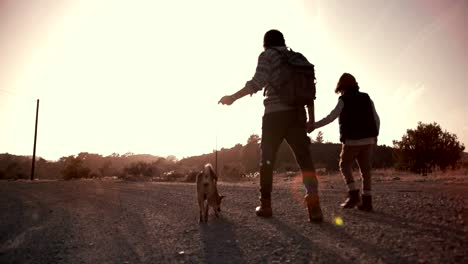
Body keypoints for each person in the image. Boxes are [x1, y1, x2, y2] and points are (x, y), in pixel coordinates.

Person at [218, 29, 323, 222]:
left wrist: (233, 97)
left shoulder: (268, 55)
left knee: (267, 160)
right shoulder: (298, 58)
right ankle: (314, 204)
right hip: (298, 114)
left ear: (265, 43)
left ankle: (266, 205)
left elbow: (257, 82)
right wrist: (312, 119)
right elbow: (309, 93)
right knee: (304, 158)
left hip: (274, 115)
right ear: (283, 41)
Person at [312, 73, 379, 211]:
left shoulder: (343, 99)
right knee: (366, 171)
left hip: (352, 141)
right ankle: (367, 202)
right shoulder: (366, 97)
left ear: (342, 87)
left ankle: (353, 194)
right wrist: (375, 136)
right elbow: (376, 118)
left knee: (344, 165)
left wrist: (314, 125)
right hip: (368, 140)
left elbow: (331, 116)